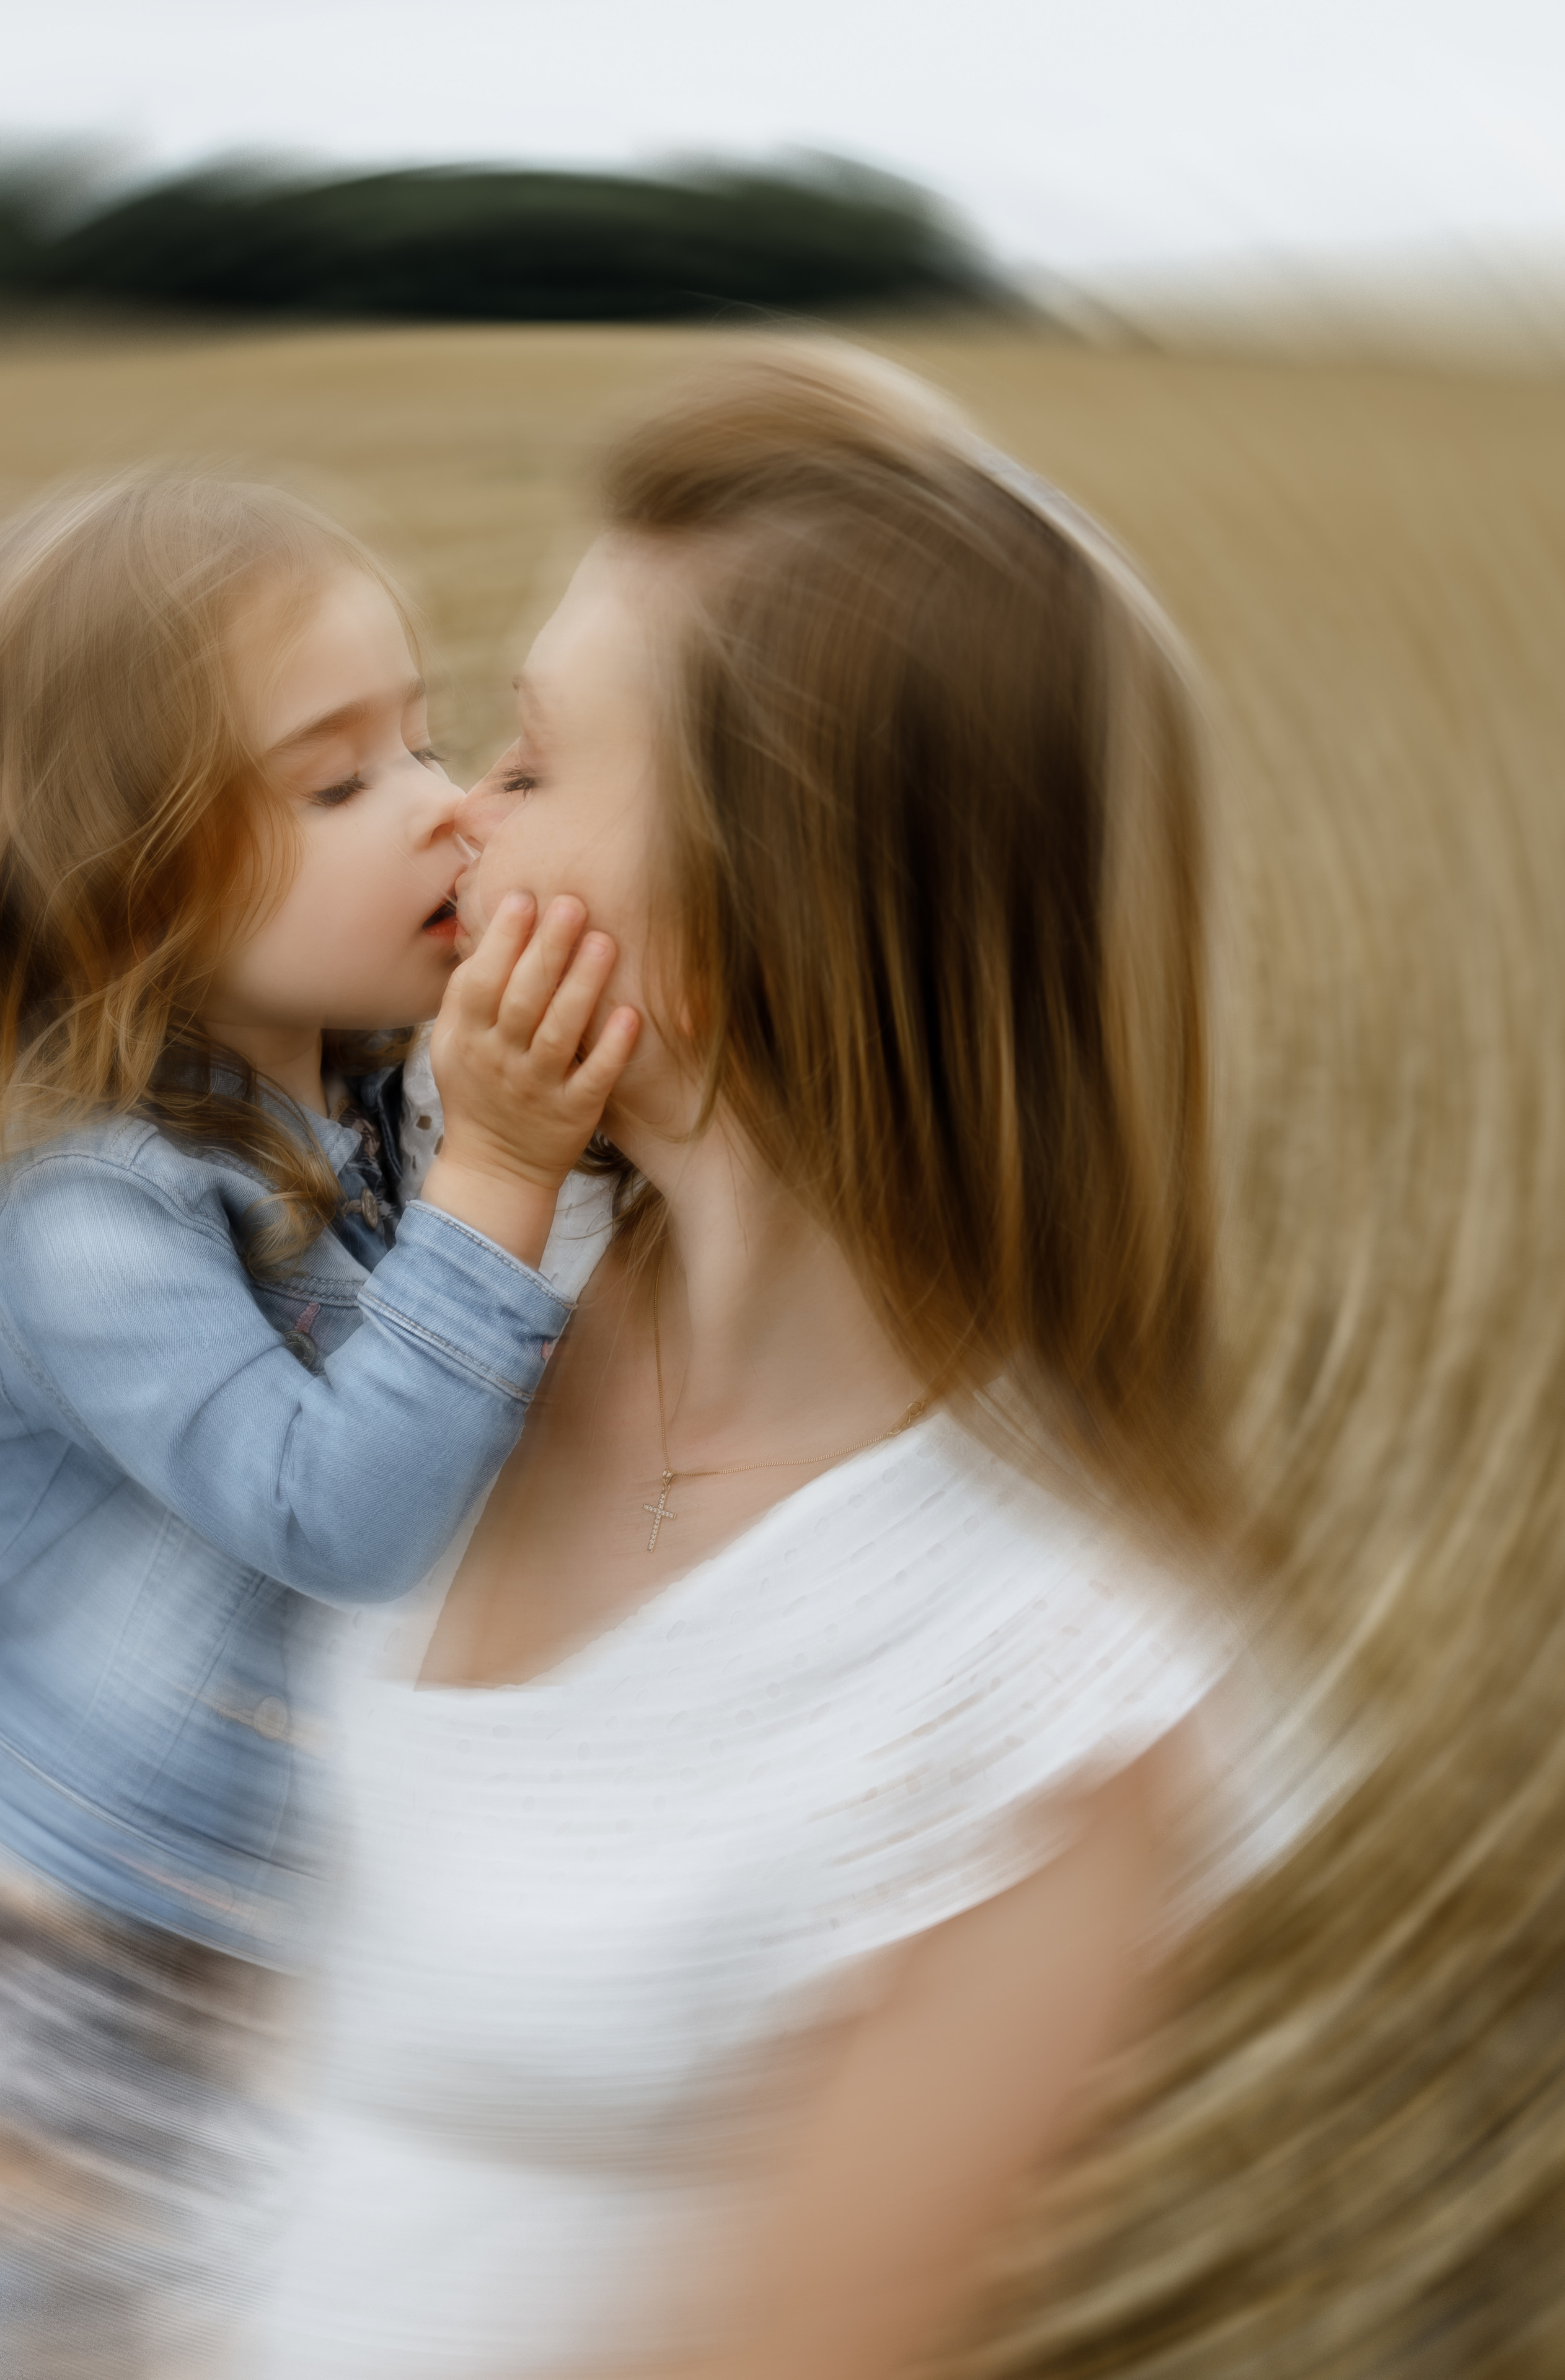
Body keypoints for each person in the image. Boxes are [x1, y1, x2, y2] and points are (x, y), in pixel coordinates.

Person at [255, 343, 1241, 2380]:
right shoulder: (452, 1229)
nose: (456, 823)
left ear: (739, 922)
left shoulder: (1031, 1709)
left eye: (530, 765)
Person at [0, 471, 638, 2372]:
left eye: (429, 740)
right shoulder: (86, 1217)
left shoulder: (363, 1097)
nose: (437, 802)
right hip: (90, 1945)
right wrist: (505, 1168)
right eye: (338, 781)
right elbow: (334, 1511)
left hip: (274, 1910)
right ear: (130, 881)